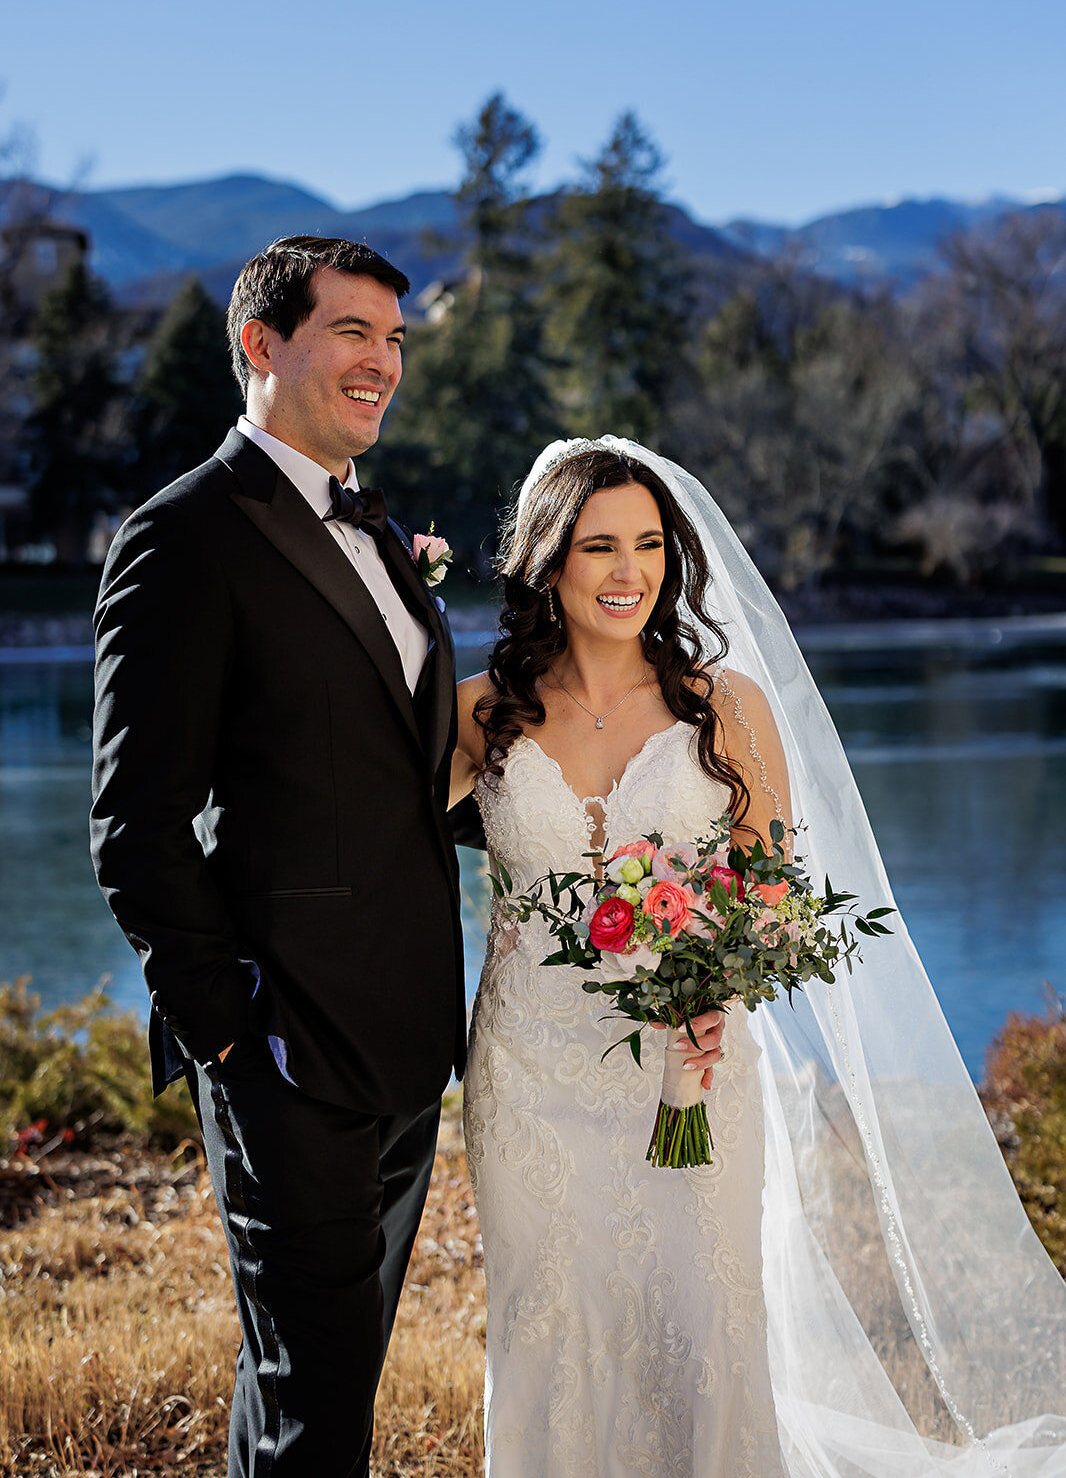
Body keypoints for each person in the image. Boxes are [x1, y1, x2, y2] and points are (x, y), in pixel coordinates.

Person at [451, 436, 1066, 1477]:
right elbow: (363, 859)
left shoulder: (724, 705)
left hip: (688, 1072)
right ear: (547, 559)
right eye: (598, 545)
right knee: (549, 1318)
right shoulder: (474, 712)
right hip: (531, 1078)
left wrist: (718, 987)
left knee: (704, 1319)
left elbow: (773, 897)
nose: (627, 570)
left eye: (647, 543)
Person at [91, 236, 466, 1478]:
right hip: (286, 1051)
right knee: (316, 1406)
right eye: (353, 332)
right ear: (262, 345)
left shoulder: (384, 530)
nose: (383, 364)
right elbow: (134, 830)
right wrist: (235, 1039)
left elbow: (403, 775)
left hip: (405, 1046)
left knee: (317, 1387)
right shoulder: (184, 536)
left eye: (395, 340)